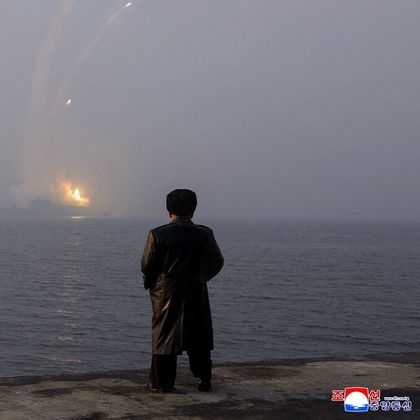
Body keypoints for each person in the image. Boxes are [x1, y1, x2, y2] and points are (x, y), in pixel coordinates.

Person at [141, 189, 224, 392]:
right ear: (193, 210)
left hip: (166, 293)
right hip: (196, 289)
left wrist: (154, 285)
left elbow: (147, 265)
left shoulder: (157, 234)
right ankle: (204, 378)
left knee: (164, 336)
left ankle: (162, 383)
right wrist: (201, 278)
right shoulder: (205, 234)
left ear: (169, 211)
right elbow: (217, 262)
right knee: (199, 335)